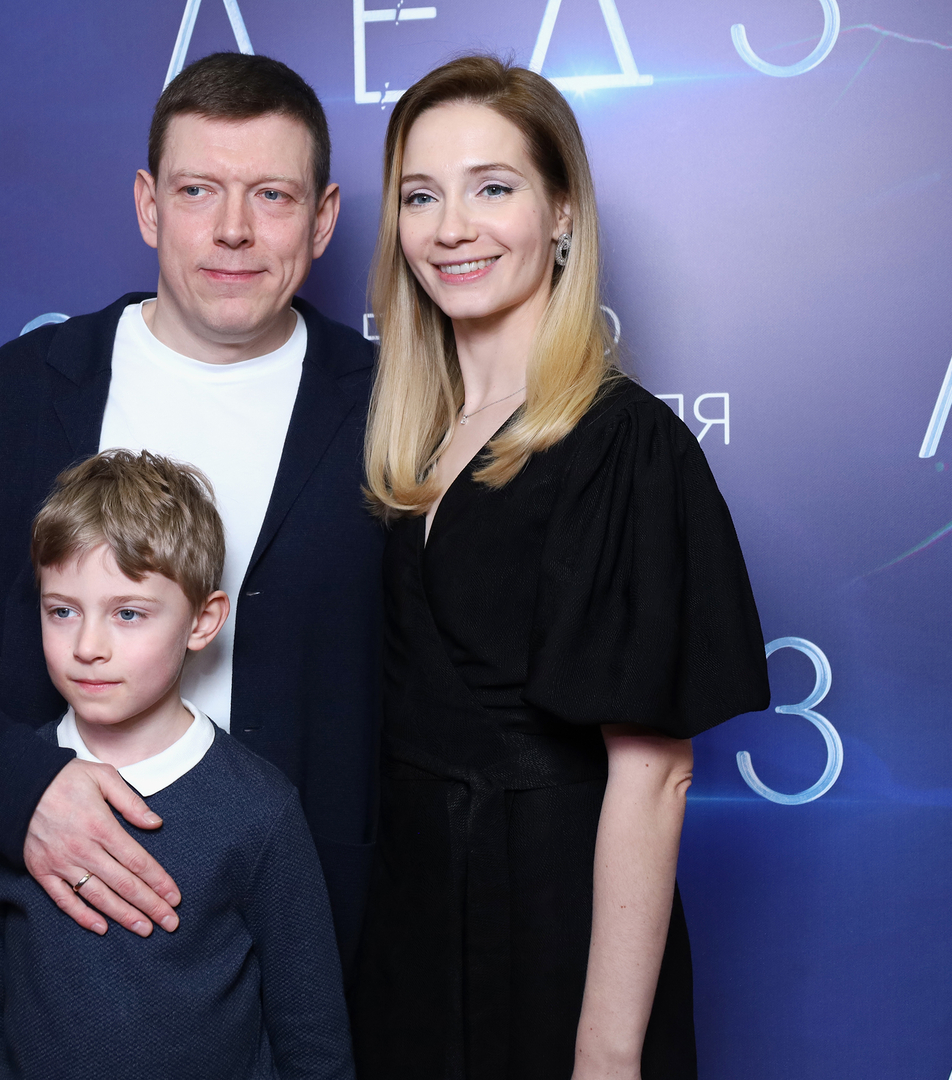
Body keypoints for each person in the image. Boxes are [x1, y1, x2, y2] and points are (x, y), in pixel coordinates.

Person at [0, 53, 383, 967]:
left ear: (323, 218)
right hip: (59, 925)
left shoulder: (396, 406)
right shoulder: (21, 394)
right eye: (198, 191)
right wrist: (24, 792)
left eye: (271, 195)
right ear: (149, 205)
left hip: (321, 942)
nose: (233, 230)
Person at [348, 57, 771, 1080]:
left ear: (564, 213)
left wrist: (607, 1053)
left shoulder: (625, 444)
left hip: (555, 938)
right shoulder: (414, 438)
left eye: (492, 187)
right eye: (421, 196)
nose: (452, 228)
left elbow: (654, 775)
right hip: (409, 943)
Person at [0, 450, 353, 1080]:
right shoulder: (2, 794)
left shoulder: (260, 810)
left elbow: (313, 1046)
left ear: (203, 622)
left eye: (127, 613)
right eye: (62, 610)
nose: (87, 646)